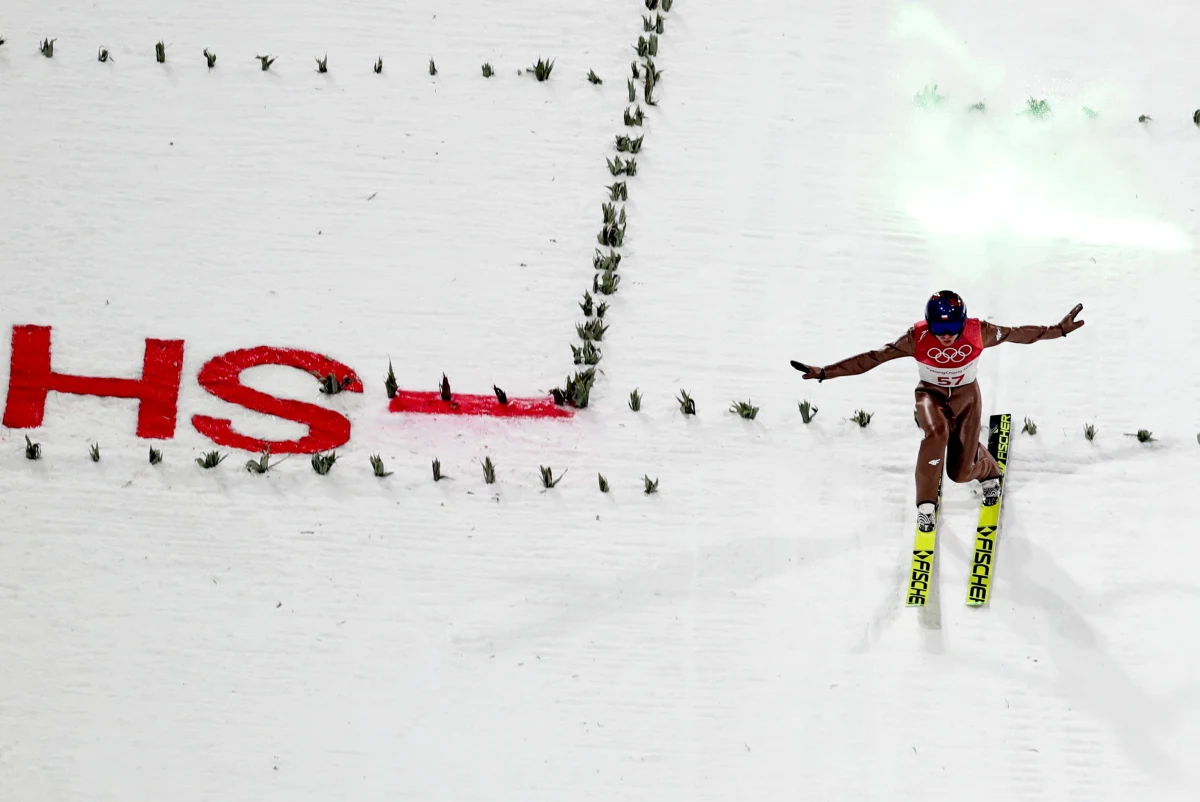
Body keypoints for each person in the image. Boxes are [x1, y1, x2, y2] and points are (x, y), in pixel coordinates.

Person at [791, 291, 1085, 533]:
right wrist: (825, 373)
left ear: (963, 322)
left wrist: (1058, 331)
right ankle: (926, 506)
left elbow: (1016, 334)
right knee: (937, 433)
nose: (946, 336)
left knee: (959, 473)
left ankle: (988, 469)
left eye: (952, 328)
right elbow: (873, 358)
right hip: (930, 396)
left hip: (967, 398)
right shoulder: (916, 337)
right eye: (939, 329)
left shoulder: (977, 331)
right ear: (929, 324)